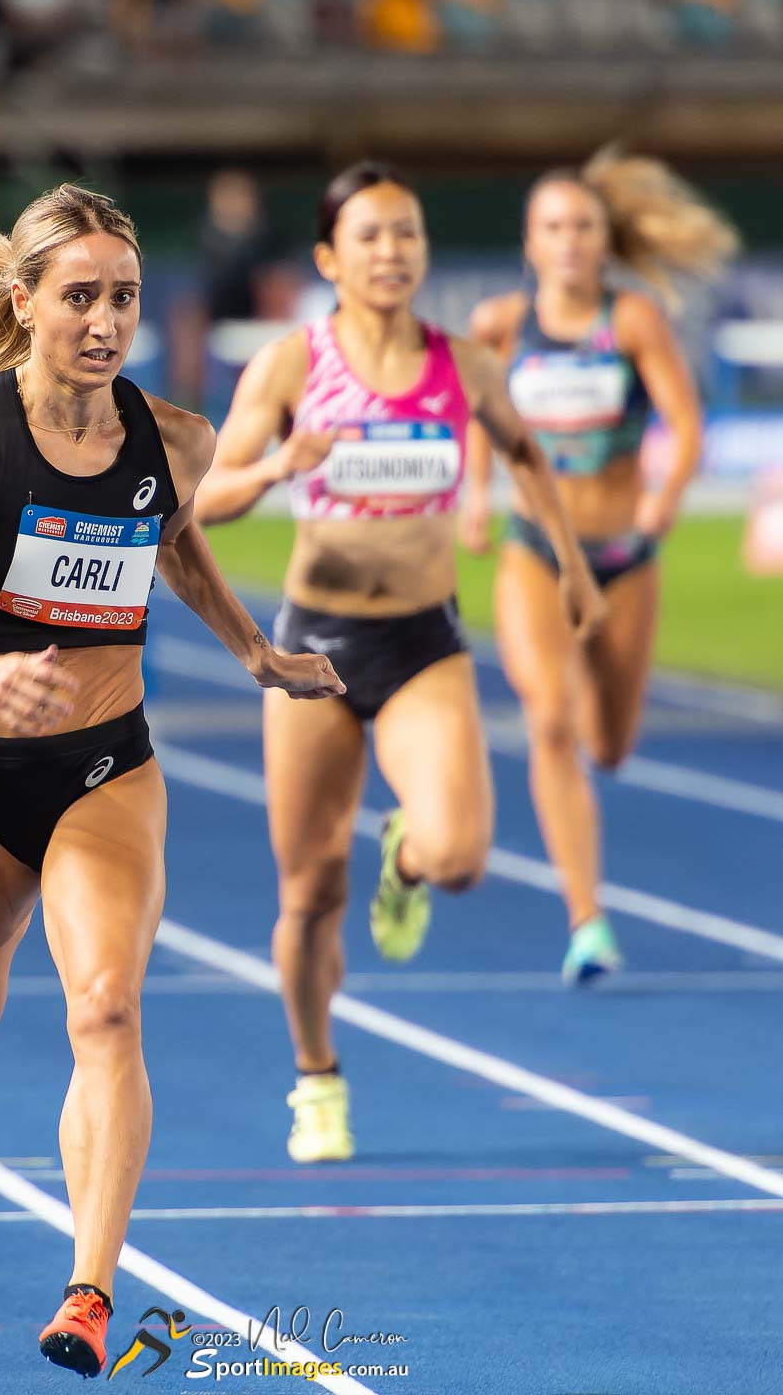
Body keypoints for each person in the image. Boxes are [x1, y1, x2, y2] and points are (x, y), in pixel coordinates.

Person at [0, 183, 342, 1378]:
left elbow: (169, 537)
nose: (106, 319)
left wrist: (255, 649)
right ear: (24, 304)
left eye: (122, 295)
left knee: (105, 1004)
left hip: (107, 768)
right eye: (79, 297)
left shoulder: (174, 437)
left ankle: (90, 1290)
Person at [194, 162, 604, 1164]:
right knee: (307, 894)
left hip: (422, 638)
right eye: (369, 236)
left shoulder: (463, 364)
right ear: (331, 258)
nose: (391, 252)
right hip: (315, 646)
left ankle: (407, 857)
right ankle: (317, 1078)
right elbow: (200, 501)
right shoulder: (293, 365)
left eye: (407, 234)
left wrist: (572, 560)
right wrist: (278, 466)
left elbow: (527, 452)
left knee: (461, 854)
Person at [461, 148, 738, 984]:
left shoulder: (635, 322)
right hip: (539, 552)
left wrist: (666, 497)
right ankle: (588, 922)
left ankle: (590, 717)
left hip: (624, 556)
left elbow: (688, 426)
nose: (570, 242)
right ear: (530, 243)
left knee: (610, 744)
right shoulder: (502, 324)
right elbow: (479, 411)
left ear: (604, 240)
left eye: (583, 226)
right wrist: (474, 493)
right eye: (553, 227)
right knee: (549, 718)